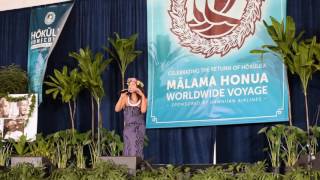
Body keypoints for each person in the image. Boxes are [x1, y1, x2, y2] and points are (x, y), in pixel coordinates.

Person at [115, 78, 147, 158]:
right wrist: (121, 97)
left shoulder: (144, 99)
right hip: (129, 128)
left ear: (138, 87)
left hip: (139, 127)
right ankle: (129, 168)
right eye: (129, 84)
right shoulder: (125, 98)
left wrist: (142, 95)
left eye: (133, 84)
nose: (130, 86)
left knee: (138, 148)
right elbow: (117, 109)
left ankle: (137, 167)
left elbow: (143, 110)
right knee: (130, 148)